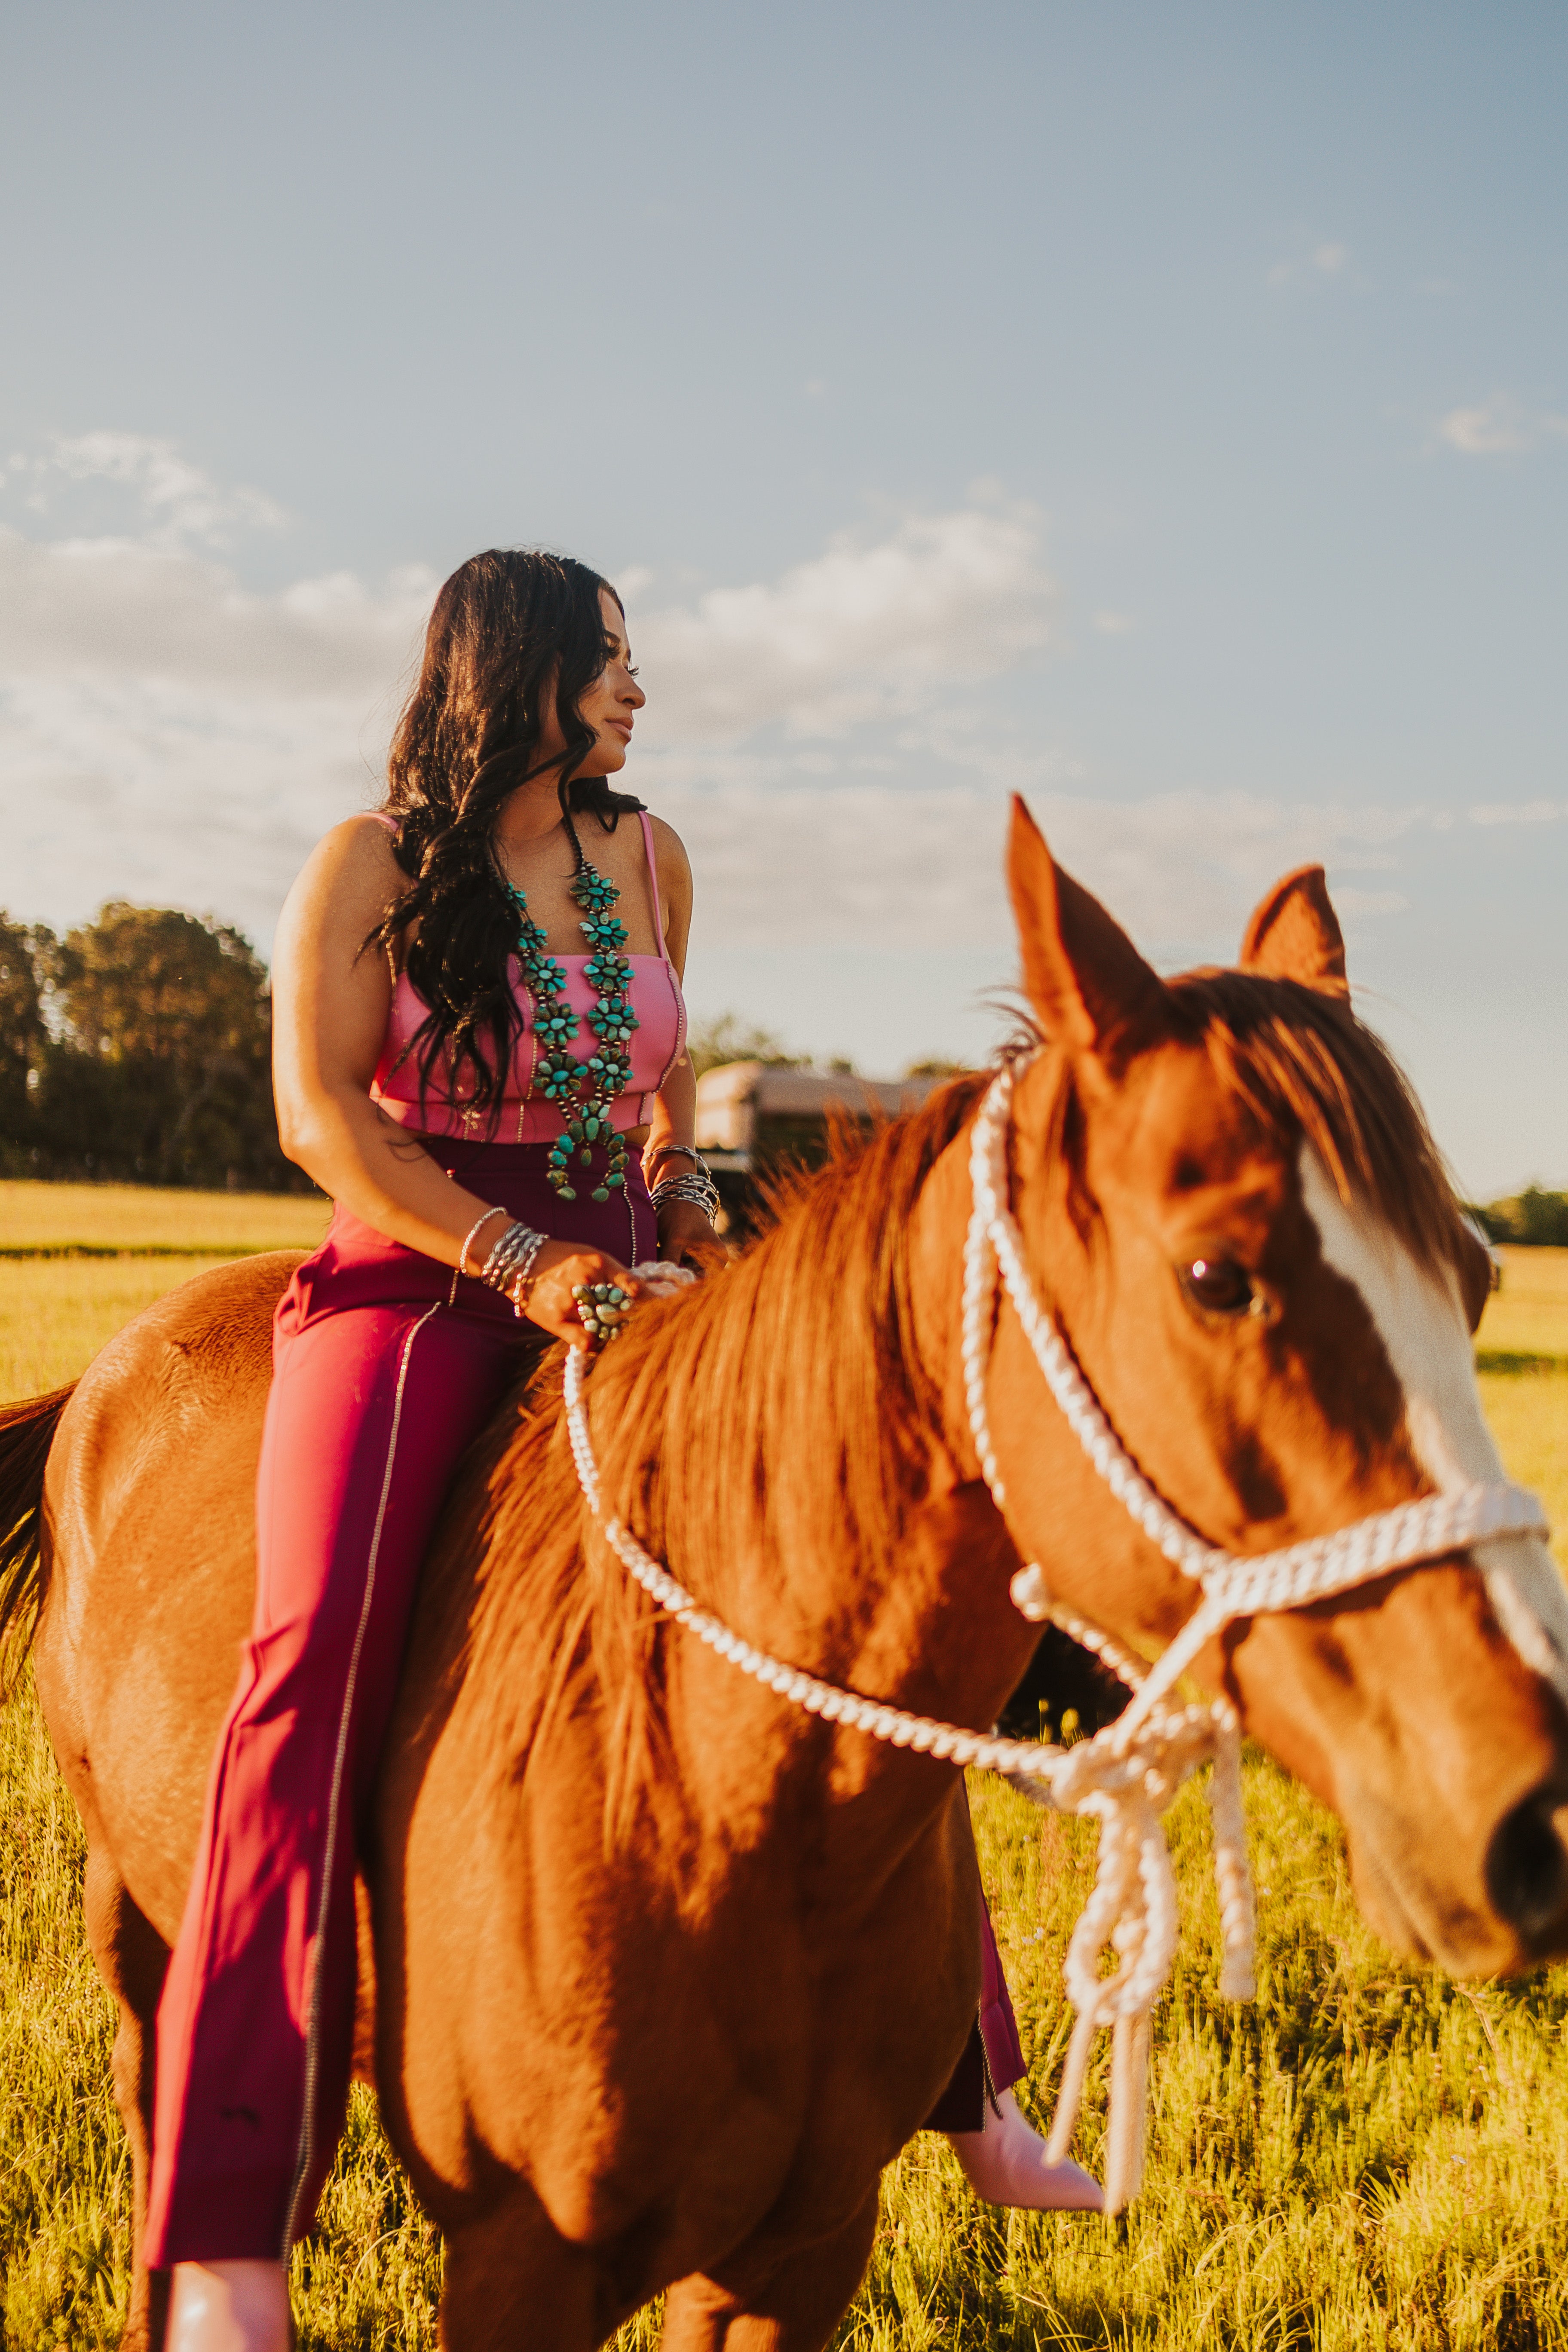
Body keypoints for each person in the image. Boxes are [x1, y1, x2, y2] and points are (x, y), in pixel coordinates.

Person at [147, 549, 1097, 2352]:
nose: (637, 691)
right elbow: (318, 1115)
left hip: (630, 1277)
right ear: (511, 670)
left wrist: (681, 1204)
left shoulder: (653, 860)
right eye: (608, 662)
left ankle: (972, 2083)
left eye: (633, 664)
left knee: (862, 1586)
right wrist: (523, 1258)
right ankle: (225, 2223)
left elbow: (660, 1087)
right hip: (418, 1288)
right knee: (308, 1662)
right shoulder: (366, 866)